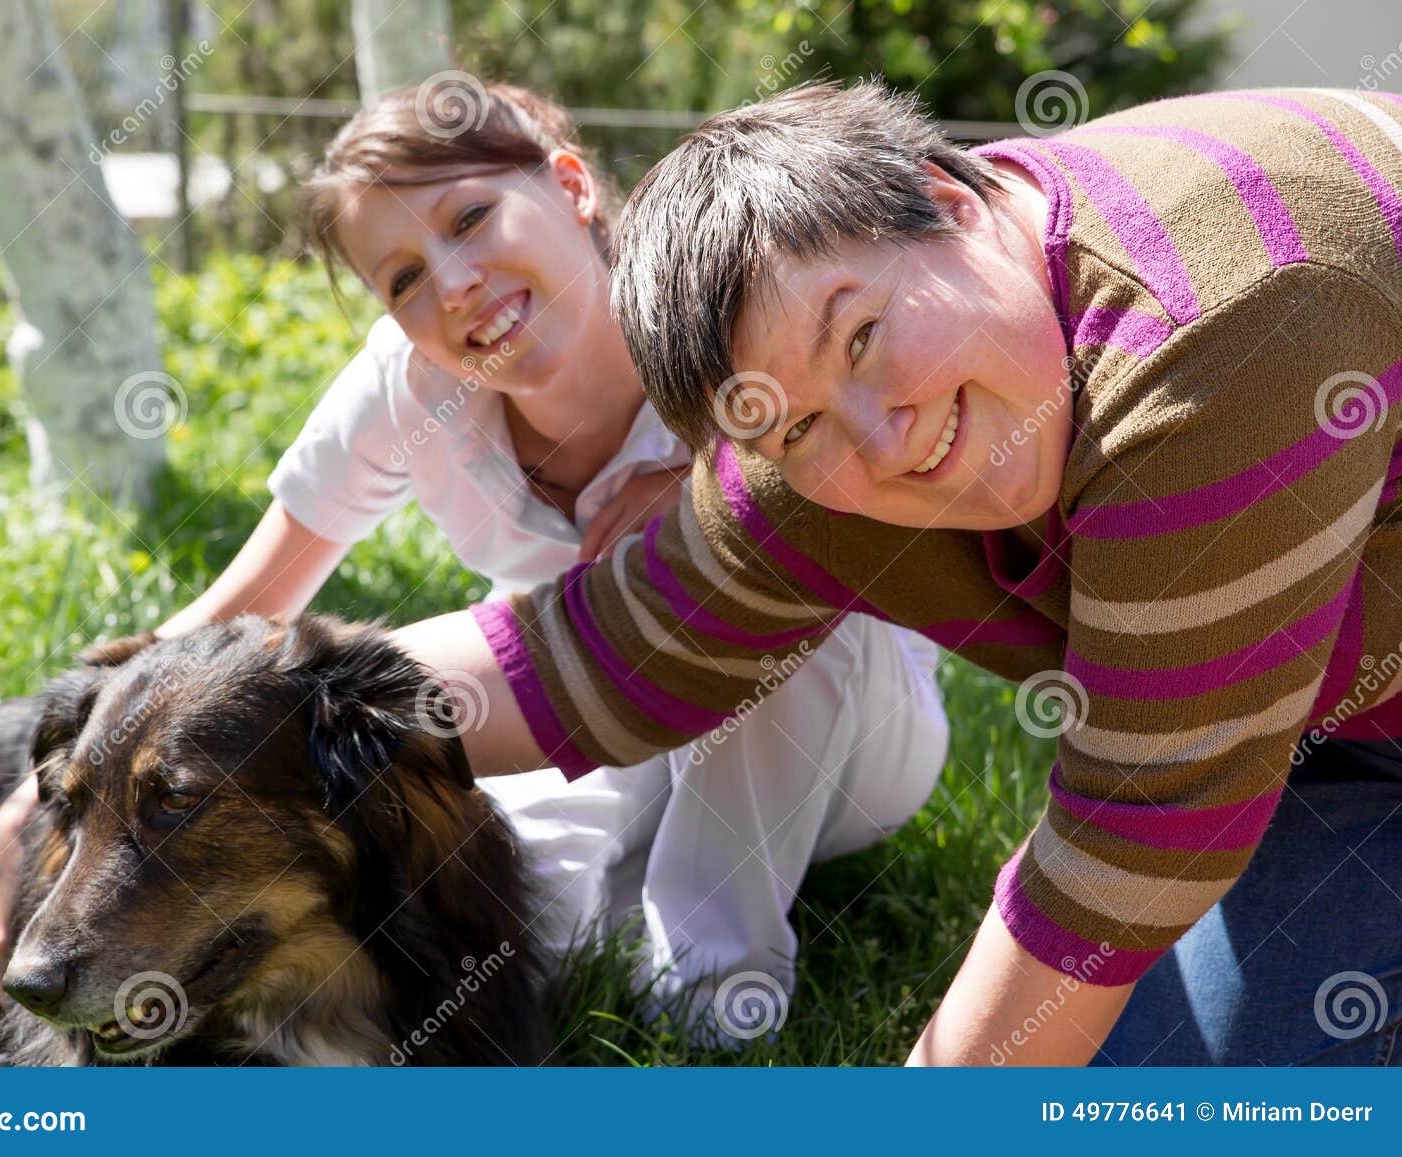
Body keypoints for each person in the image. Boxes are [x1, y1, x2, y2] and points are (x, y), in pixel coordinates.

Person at [383, 78, 1402, 1065]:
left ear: (948, 201)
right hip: (1330, 731)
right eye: (803, 426)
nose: (881, 440)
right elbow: (604, 652)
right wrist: (281, 710)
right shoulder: (820, 457)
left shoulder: (1224, 327)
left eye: (864, 335)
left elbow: (1137, 831)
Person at [0, 80, 951, 1036]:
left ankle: (713, 1001)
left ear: (569, 183)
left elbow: (869, 486)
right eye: (400, 277)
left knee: (757, 595)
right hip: (591, 702)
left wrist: (721, 493)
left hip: (842, 726)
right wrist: (38, 797)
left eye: (471, 217)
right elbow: (240, 612)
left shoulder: (705, 307)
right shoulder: (410, 385)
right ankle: (628, 928)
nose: (451, 282)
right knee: (511, 928)